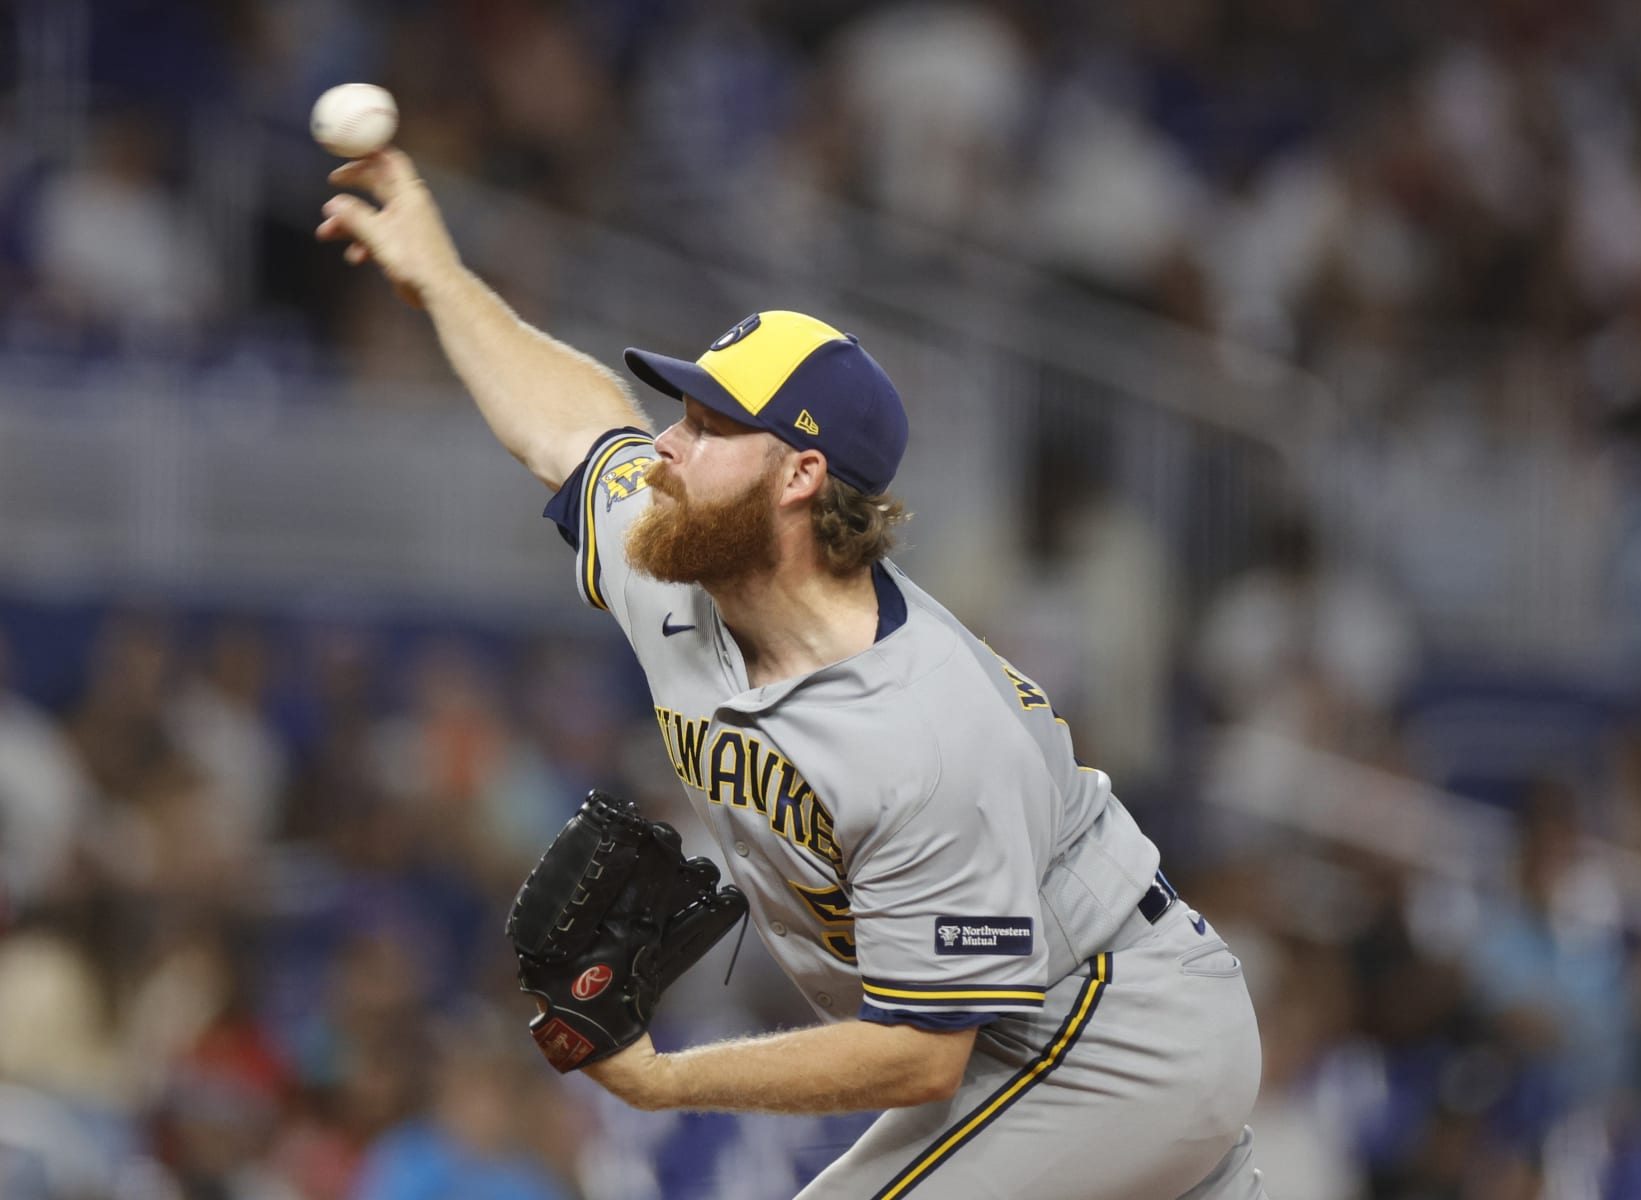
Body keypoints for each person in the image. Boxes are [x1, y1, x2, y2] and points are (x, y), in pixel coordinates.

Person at [316, 148, 1266, 1200]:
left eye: (709, 425)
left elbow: (918, 1053)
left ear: (801, 475)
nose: (667, 447)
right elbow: (574, 434)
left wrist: (663, 1081)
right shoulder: (679, 567)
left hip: (1114, 1033)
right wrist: (441, 277)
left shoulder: (924, 729)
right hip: (1016, 1035)